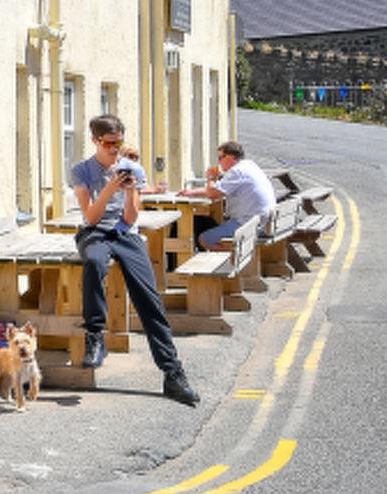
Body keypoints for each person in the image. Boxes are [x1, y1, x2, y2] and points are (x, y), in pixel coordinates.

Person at [70, 114, 200, 406]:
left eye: (119, 144)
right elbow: (90, 217)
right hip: (94, 233)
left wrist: (130, 192)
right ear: (95, 141)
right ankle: (95, 337)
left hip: (125, 233)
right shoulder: (82, 171)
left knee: (148, 298)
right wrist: (108, 189)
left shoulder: (133, 169)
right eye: (109, 144)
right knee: (93, 263)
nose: (115, 150)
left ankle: (173, 374)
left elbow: (130, 217)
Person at [190, 141, 277, 250]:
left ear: (231, 157)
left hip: (249, 224)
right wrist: (191, 192)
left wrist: (211, 178)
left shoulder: (236, 172)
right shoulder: (249, 165)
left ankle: (233, 257)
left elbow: (213, 194)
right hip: (264, 222)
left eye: (221, 157)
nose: (219, 161)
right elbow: (218, 189)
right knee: (216, 224)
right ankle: (235, 256)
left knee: (204, 239)